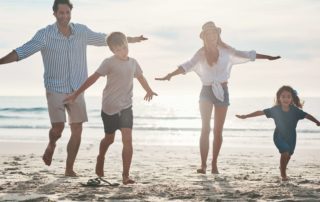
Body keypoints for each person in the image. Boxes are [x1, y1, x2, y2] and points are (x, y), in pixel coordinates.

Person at [0, 0, 146, 177]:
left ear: (71, 13)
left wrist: (132, 40)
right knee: (58, 128)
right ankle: (52, 143)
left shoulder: (82, 32)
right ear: (54, 14)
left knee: (77, 129)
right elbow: (23, 51)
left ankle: (69, 169)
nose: (64, 16)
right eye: (61, 13)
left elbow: (106, 39)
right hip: (55, 87)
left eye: (67, 12)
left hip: (77, 89)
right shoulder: (45, 35)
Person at [155, 21, 281, 174]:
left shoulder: (227, 50)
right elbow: (187, 65)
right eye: (208, 34)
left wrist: (268, 57)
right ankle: (203, 165)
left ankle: (214, 163)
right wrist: (170, 75)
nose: (212, 36)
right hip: (206, 91)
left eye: (214, 33)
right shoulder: (201, 52)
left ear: (218, 35)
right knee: (205, 129)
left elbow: (247, 54)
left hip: (222, 90)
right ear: (204, 37)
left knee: (217, 131)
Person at [63, 32, 157, 184]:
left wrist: (149, 90)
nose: (123, 51)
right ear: (112, 50)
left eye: (125, 47)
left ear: (127, 44)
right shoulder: (108, 62)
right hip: (109, 107)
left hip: (126, 107)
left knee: (128, 140)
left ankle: (125, 175)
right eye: (118, 49)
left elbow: (140, 77)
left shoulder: (133, 62)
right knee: (109, 139)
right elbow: (93, 78)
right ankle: (101, 157)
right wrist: (76, 94)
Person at [236, 85, 320, 181]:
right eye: (283, 96)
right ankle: (283, 175)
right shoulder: (275, 110)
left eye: (288, 96)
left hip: (291, 137)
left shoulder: (295, 111)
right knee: (285, 152)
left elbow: (307, 115)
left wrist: (317, 122)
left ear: (292, 98)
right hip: (279, 136)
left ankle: (282, 167)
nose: (286, 99)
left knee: (288, 155)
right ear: (279, 98)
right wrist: (246, 116)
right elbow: (261, 112)